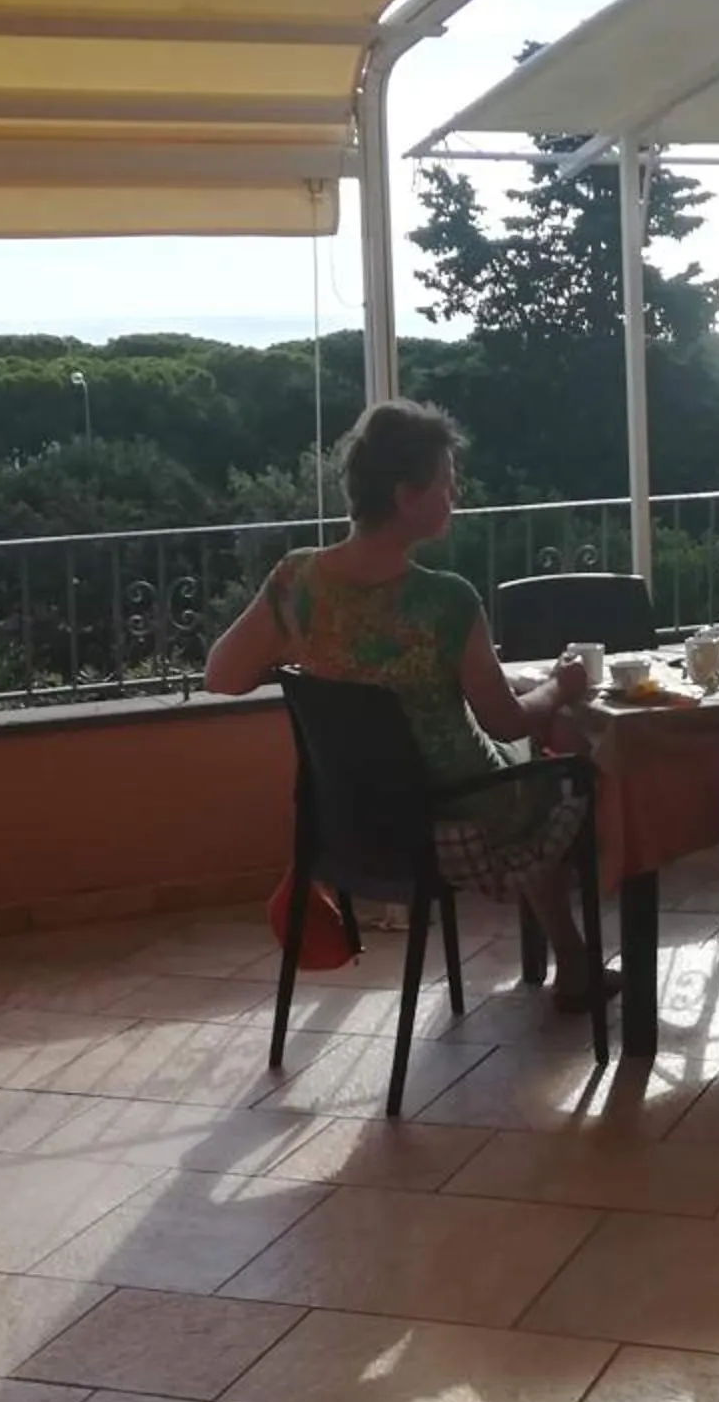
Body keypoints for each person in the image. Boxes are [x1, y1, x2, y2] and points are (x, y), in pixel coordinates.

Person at [205, 400, 613, 1009]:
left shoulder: (297, 581)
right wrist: (561, 686)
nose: (455, 496)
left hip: (352, 822)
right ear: (405, 495)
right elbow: (504, 720)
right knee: (572, 767)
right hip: (459, 816)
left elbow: (221, 675)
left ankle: (572, 960)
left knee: (530, 758)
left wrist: (314, 662)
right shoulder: (446, 602)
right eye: (446, 483)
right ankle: (581, 960)